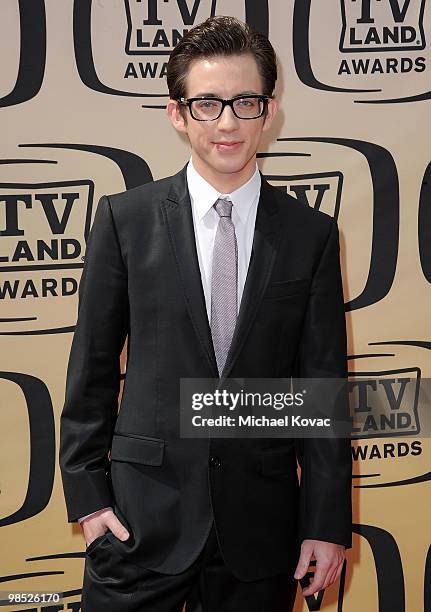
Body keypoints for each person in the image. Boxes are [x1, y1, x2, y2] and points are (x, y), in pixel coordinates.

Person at [59, 15, 352, 612]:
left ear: (269, 111)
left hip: (260, 532)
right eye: (208, 104)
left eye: (246, 102)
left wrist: (326, 522)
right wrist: (90, 502)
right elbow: (89, 371)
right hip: (139, 526)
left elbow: (322, 390)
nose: (227, 123)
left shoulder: (310, 235)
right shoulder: (126, 221)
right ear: (177, 112)